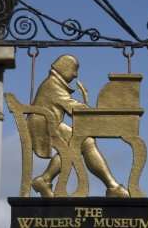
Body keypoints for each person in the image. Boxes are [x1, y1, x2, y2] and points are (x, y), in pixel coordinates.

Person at [27, 55, 129, 198]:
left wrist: (86, 104)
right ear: (64, 68)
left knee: (83, 142)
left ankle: (45, 179)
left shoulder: (54, 83)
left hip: (50, 123)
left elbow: (70, 105)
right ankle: (112, 186)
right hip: (43, 126)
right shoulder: (53, 85)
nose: (76, 75)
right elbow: (72, 107)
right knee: (85, 141)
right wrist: (90, 109)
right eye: (74, 70)